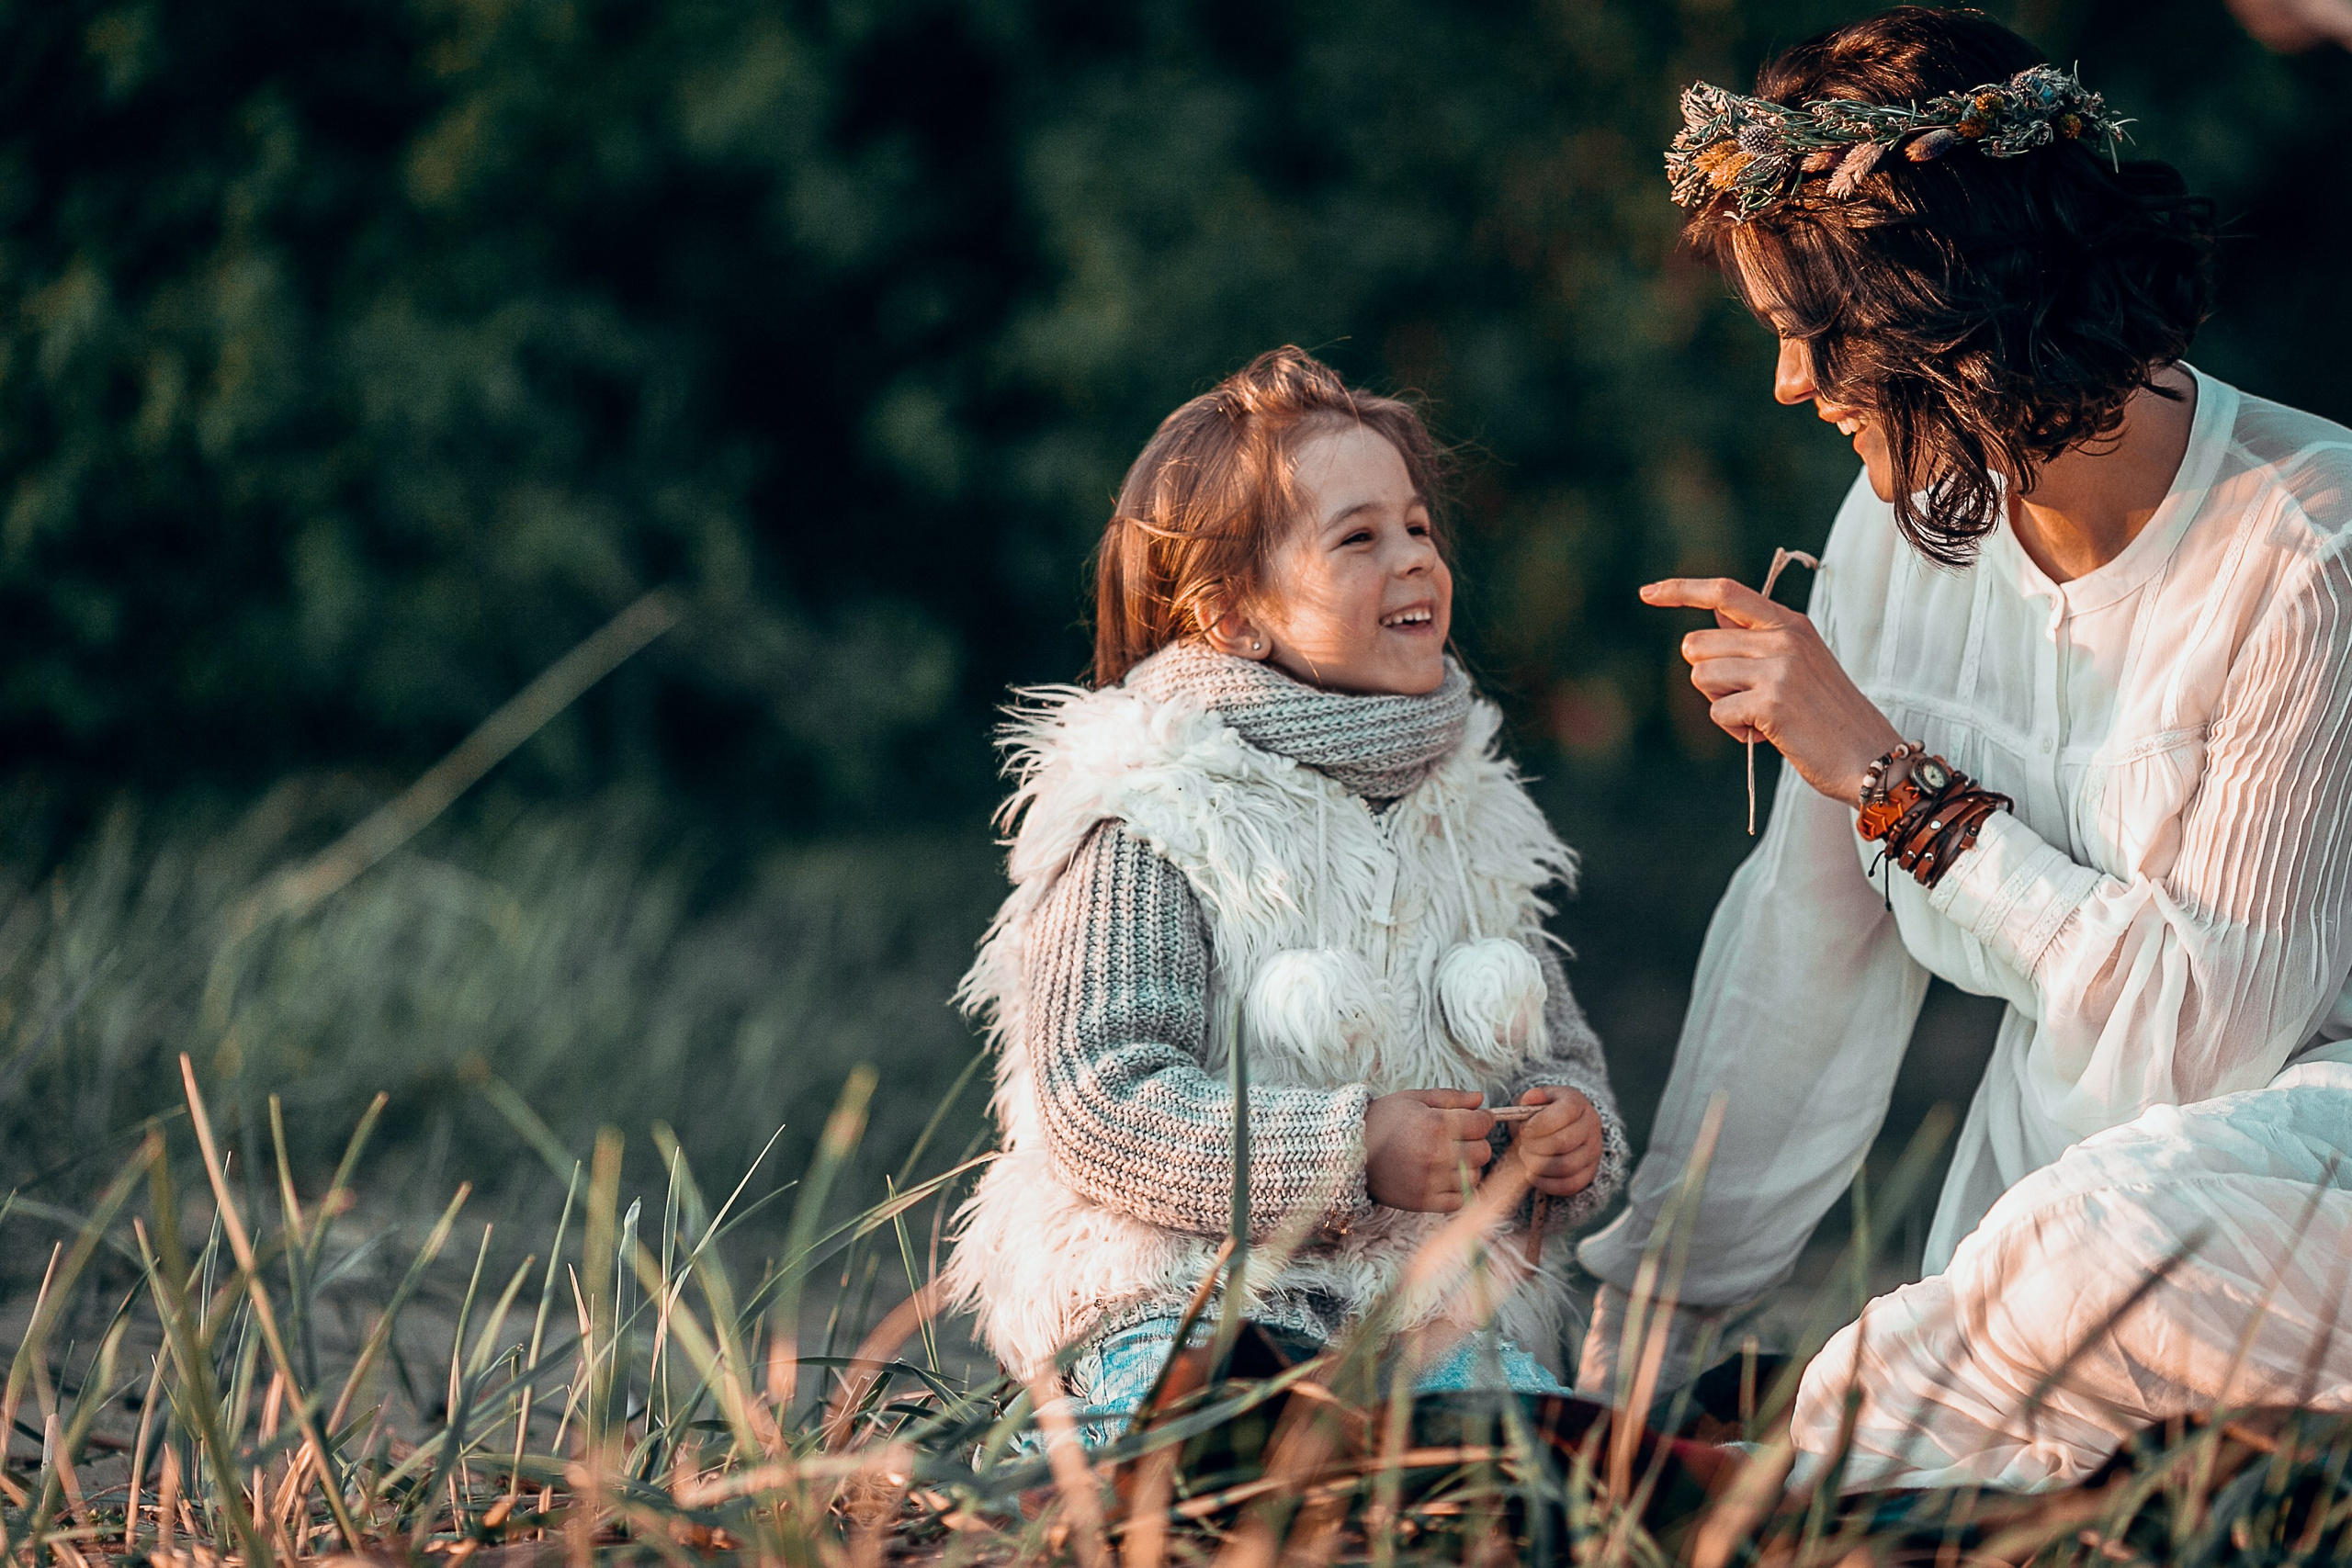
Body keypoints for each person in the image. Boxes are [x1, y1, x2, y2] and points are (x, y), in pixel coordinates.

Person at [1577, 7, 2352, 1487]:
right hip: (2034, 1250)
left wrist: (1896, 784)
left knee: (2099, 1247)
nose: (1790, 384)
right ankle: (1712, 1461)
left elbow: (2206, 1046)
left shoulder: (2308, 551)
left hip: (2286, 1186)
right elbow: (1803, 951)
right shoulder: (1901, 531)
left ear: (1964, 307)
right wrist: (1645, 1314)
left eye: (1820, 334)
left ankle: (1765, 1473)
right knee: (2040, 1280)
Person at [944, 346, 1628, 1438]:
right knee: (1215, 1431)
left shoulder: (1468, 816)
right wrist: (1350, 1150)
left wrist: (1563, 1129)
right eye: (1358, 538)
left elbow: (1552, 1047)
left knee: (1523, 1450)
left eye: (1416, 525)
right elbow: (1101, 1097)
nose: (1412, 559)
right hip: (1183, 1300)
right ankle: (1105, 1450)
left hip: (1423, 1313)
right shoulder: (1161, 810)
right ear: (1230, 615)